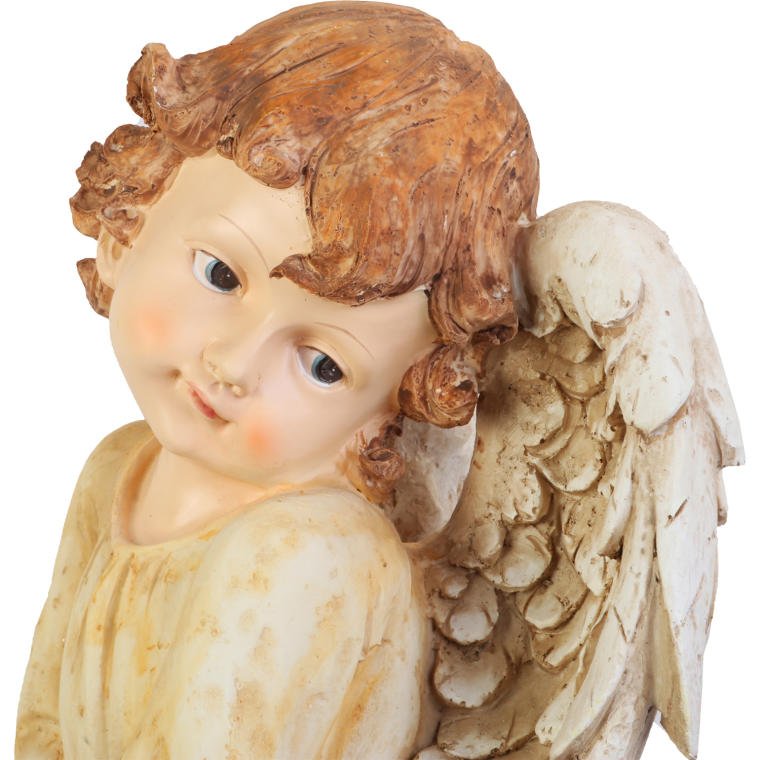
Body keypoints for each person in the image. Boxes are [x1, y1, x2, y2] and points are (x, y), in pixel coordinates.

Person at [16, 3, 538, 758]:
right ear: (131, 223)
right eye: (220, 274)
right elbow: (41, 723)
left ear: (382, 419)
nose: (233, 365)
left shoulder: (309, 551)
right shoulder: (115, 471)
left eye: (323, 365)